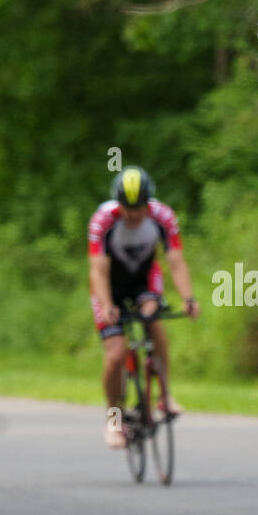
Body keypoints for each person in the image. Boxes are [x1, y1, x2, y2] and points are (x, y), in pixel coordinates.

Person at [88, 165, 199, 448]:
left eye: (139, 208)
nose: (133, 214)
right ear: (118, 203)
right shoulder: (102, 220)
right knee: (115, 354)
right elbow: (98, 270)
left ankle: (163, 394)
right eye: (127, 208)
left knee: (154, 321)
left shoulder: (163, 216)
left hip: (143, 280)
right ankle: (114, 419)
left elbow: (175, 260)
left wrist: (188, 298)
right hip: (109, 284)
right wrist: (107, 305)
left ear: (148, 203)